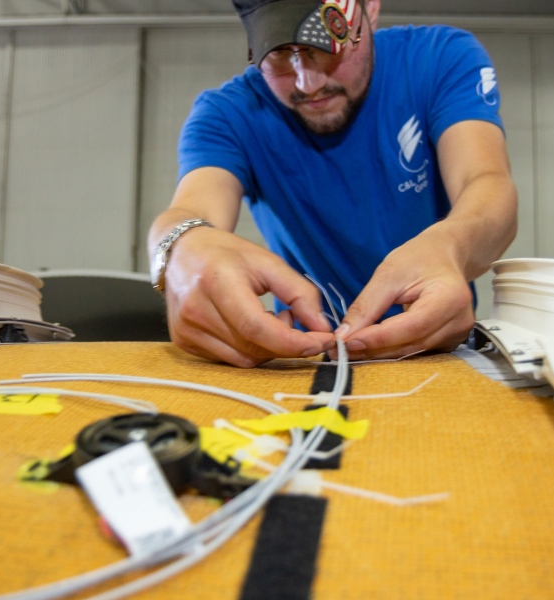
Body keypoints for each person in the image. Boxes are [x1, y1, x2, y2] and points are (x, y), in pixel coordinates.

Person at [148, 0, 517, 368]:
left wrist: (450, 246)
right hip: (309, 357)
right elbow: (191, 210)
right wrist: (181, 248)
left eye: (327, 46)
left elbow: (485, 182)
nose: (308, 83)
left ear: (370, 9)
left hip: (439, 351)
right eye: (278, 55)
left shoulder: (437, 59)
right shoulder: (227, 114)